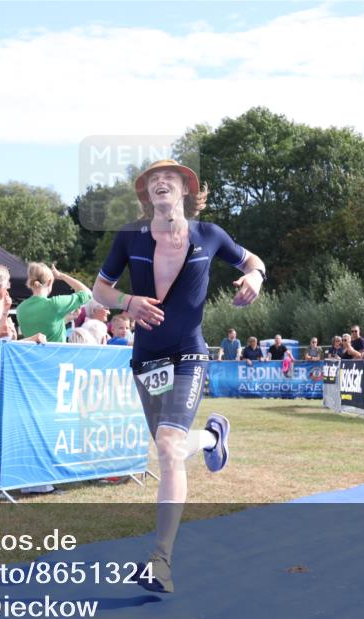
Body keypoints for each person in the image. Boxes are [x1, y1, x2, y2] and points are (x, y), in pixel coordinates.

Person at [92, 159, 265, 594]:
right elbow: (99, 291)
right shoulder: (129, 237)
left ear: (186, 189)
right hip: (147, 357)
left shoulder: (210, 235)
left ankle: (161, 561)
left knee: (169, 449)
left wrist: (256, 278)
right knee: (168, 449)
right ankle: (212, 438)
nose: (160, 184)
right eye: (153, 181)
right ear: (147, 195)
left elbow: (253, 262)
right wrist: (127, 302)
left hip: (189, 352)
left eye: (169, 178)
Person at [17, 262, 92, 343]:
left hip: (31, 355)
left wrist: (67, 318)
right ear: (49, 282)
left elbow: (45, 327)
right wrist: (61, 276)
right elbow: (88, 294)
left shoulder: (20, 309)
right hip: (55, 354)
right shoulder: (55, 304)